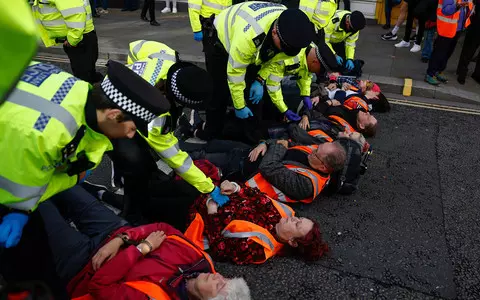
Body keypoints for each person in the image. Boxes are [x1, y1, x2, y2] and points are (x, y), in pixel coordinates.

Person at [0, 60, 170, 248]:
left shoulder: (81, 90)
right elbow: (19, 185)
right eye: (131, 128)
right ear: (113, 115)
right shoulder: (47, 136)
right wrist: (20, 210)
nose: (131, 135)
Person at [37, 186, 251, 300]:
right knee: (61, 180)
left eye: (220, 286)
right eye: (226, 278)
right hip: (117, 231)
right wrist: (124, 239)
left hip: (82, 265)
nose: (217, 276)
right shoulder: (201, 261)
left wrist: (142, 249)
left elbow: (99, 285)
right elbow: (164, 229)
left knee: (36, 203)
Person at [108, 40, 230, 221]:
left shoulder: (165, 56)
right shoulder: (156, 118)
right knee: (133, 160)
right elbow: (175, 158)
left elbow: (136, 46)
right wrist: (208, 187)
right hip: (110, 115)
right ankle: (123, 191)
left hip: (115, 85)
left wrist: (132, 69)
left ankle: (147, 176)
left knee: (145, 155)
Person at [193, 2, 316, 141]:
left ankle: (252, 136)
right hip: (219, 40)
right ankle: (211, 132)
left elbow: (274, 60)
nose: (285, 53)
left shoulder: (288, 25)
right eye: (283, 48)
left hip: (251, 41)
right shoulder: (249, 36)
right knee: (219, 91)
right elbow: (235, 73)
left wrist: (259, 80)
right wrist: (239, 106)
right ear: (274, 32)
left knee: (253, 95)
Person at [185, 180, 329, 264]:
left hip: (195, 216)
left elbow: (219, 248)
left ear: (292, 241)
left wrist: (212, 210)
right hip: (210, 193)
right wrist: (235, 187)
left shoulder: (260, 249)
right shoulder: (283, 214)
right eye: (300, 218)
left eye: (297, 224)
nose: (294, 218)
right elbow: (255, 195)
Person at [254, 42, 338, 123]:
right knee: (256, 105)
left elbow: (305, 75)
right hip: (255, 64)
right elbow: (273, 85)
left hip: (268, 67)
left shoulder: (310, 51)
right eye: (319, 70)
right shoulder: (289, 56)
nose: (316, 73)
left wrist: (305, 94)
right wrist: (284, 110)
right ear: (315, 62)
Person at [245, 138, 346, 203]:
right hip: (253, 152)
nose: (313, 150)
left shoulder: (307, 184)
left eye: (316, 152)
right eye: (317, 147)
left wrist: (277, 146)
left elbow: (268, 167)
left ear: (323, 167)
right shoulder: (319, 154)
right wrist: (265, 143)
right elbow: (286, 142)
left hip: (245, 174)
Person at [32, 0, 101, 84]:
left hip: (80, 37)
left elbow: (76, 13)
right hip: (81, 36)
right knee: (87, 71)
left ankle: (85, 94)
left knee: (83, 78)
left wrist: (73, 39)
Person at [425, 0, 473, 85]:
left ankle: (438, 71)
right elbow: (446, 10)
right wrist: (457, 5)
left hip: (457, 28)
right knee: (439, 52)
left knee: (447, 53)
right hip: (446, 28)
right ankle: (430, 74)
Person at [188, 0, 232, 65]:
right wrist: (197, 30)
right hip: (209, 24)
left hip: (224, 22)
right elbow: (193, 8)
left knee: (224, 55)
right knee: (212, 56)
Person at [302, 100, 378, 137]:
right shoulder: (353, 115)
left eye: (368, 117)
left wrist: (329, 102)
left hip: (305, 110)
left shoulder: (340, 127)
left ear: (361, 126)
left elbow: (318, 116)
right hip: (316, 102)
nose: (367, 113)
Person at [456, 0, 480, 85]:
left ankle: (477, 74)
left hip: (475, 24)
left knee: (469, 50)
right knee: (468, 51)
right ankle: (461, 72)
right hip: (475, 26)